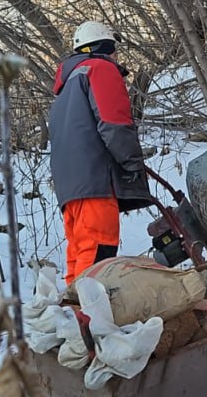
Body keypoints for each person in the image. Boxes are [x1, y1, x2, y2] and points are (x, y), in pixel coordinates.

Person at [48, 20, 152, 283]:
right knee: (97, 256)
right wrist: (132, 165)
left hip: (71, 190)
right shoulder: (100, 69)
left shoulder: (65, 91)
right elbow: (114, 123)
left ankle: (72, 317)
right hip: (95, 183)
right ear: (105, 47)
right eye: (115, 49)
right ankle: (88, 318)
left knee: (79, 258)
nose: (117, 56)